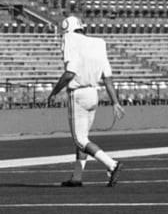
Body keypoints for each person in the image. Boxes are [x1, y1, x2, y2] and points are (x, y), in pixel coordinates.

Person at [48, 15, 126, 187]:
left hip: (78, 94)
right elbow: (107, 78)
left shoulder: (70, 39)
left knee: (80, 140)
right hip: (94, 93)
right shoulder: (97, 44)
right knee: (83, 138)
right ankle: (77, 177)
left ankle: (111, 165)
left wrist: (54, 92)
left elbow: (70, 73)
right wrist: (115, 102)